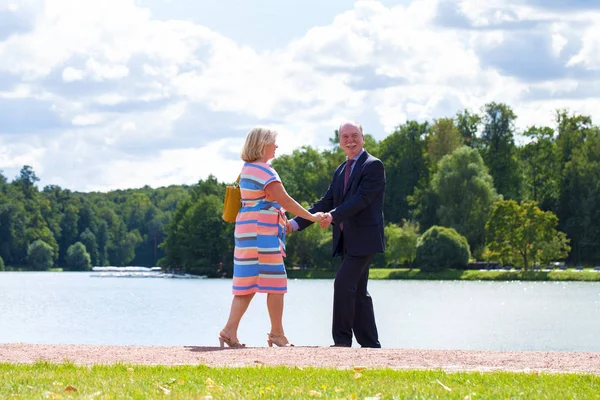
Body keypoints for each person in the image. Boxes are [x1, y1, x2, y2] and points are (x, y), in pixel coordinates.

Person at [219, 127, 324, 348]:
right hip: (261, 233)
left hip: (248, 230)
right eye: (273, 142)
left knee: (247, 282)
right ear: (262, 145)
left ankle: (230, 330)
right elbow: (285, 200)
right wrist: (311, 217)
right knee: (276, 282)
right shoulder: (265, 171)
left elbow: (267, 201)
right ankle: (277, 334)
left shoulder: (247, 169)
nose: (276, 146)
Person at [289, 121, 385, 348]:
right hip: (347, 241)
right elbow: (326, 202)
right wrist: (294, 223)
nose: (350, 140)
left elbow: (361, 200)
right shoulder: (340, 170)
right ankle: (371, 345)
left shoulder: (373, 166)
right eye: (345, 137)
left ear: (363, 137)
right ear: (340, 141)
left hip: (366, 239)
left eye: (354, 136)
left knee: (343, 284)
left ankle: (341, 343)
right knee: (358, 293)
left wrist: (332, 216)